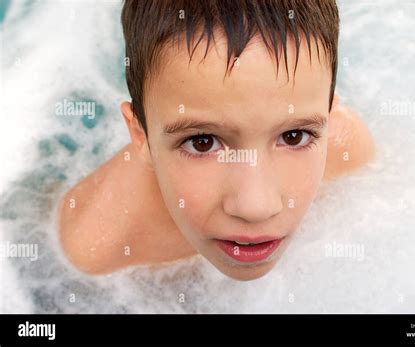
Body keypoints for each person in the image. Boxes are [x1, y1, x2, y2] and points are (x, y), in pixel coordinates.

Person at [58, 0, 375, 281]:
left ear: (328, 116)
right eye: (202, 143)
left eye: (294, 137)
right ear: (140, 136)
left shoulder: (347, 149)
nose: (255, 207)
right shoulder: (97, 248)